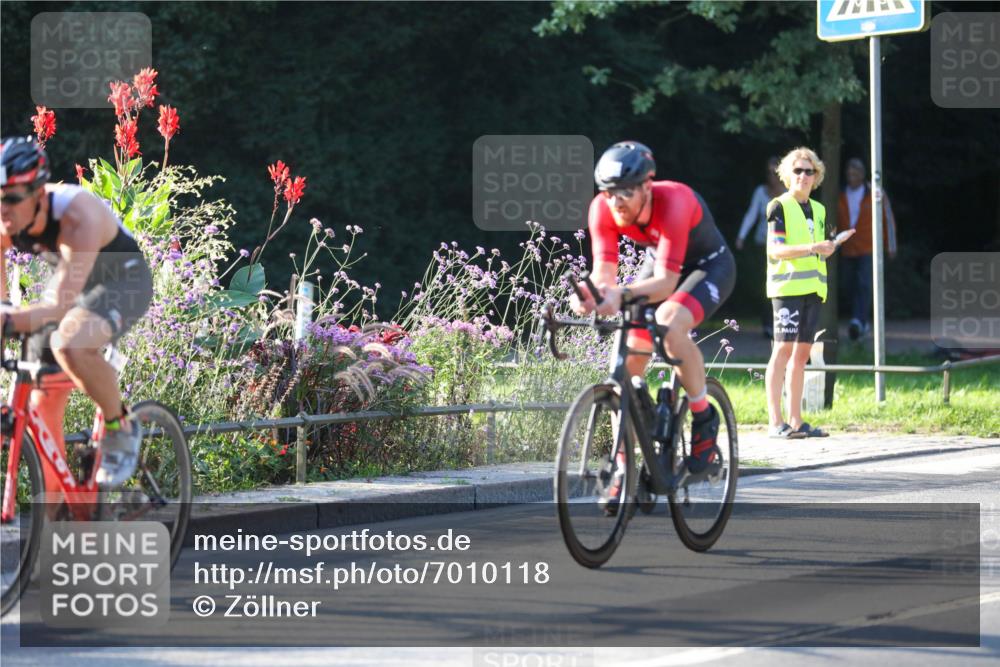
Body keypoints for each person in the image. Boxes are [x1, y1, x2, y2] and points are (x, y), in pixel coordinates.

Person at [570, 141, 736, 500]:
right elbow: (604, 273)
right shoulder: (602, 209)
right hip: (661, 261)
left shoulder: (674, 201)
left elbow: (665, 284)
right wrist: (590, 296)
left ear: (647, 185)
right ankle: (626, 461)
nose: (617, 202)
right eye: (609, 193)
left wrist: (621, 295)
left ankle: (704, 417)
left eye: (626, 193)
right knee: (630, 359)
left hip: (708, 266)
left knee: (669, 320)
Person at [0, 136, 153, 490]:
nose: (2, 208)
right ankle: (56, 516)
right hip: (78, 284)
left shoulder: (75, 214)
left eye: (10, 198)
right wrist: (6, 308)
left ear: (39, 194)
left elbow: (56, 306)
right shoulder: (9, 218)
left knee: (69, 343)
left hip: (124, 280)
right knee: (41, 403)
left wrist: (8, 320)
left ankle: (120, 426)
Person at [764, 147, 853, 439]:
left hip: (813, 290)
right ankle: (776, 422)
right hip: (787, 289)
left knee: (801, 355)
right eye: (798, 170)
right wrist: (813, 248)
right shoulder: (778, 206)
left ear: (817, 177)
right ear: (787, 175)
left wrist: (829, 247)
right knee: (782, 351)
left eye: (809, 171)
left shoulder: (819, 209)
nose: (803, 176)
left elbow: (816, 252)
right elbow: (775, 250)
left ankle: (796, 420)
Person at [836, 157, 898, 341]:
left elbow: (887, 217)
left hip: (868, 247)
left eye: (855, 173)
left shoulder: (875, 192)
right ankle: (859, 319)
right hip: (847, 247)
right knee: (847, 284)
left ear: (862, 175)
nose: (851, 176)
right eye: (849, 172)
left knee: (864, 284)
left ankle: (858, 321)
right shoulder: (840, 193)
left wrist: (891, 245)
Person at [735, 156, 783, 338]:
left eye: (775, 172)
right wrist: (741, 236)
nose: (772, 177)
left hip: (784, 248)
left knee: (781, 284)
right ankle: (768, 324)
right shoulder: (761, 192)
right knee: (765, 284)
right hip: (763, 244)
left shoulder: (789, 193)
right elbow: (751, 214)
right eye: (769, 173)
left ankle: (781, 322)